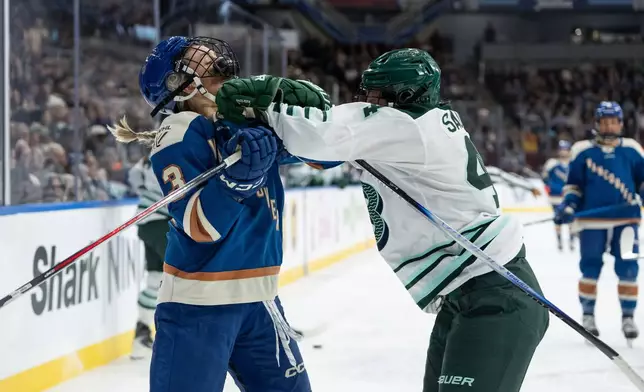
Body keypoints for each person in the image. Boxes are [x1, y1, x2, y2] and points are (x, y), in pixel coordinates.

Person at [216, 48, 549, 392]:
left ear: (405, 95)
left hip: (496, 296)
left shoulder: (404, 124)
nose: (368, 100)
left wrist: (268, 96)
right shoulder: (422, 122)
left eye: (377, 93)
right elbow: (335, 147)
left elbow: (318, 136)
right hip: (473, 291)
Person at [108, 36, 317, 392]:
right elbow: (201, 226)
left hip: (262, 301)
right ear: (178, 86)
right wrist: (239, 179)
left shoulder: (249, 115)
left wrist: (310, 117)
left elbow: (323, 158)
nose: (215, 58)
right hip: (199, 308)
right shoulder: (179, 130)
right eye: (197, 60)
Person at [556, 101, 642, 343]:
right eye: (605, 121)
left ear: (621, 123)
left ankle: (627, 317)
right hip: (592, 222)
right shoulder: (582, 151)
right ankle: (588, 316)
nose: (609, 126)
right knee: (590, 268)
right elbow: (574, 185)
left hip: (626, 221)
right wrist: (568, 205)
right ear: (597, 123)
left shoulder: (633, 150)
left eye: (614, 121)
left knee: (628, 268)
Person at [127, 153, 170, 359]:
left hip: (146, 219)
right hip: (162, 218)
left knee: (155, 278)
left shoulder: (148, 154)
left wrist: (147, 191)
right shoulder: (179, 140)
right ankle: (183, 336)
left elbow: (134, 175)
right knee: (187, 274)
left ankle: (142, 336)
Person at [542, 140, 573, 251]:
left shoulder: (573, 163)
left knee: (570, 219)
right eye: (562, 149)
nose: (564, 152)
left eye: (566, 149)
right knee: (558, 219)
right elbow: (545, 178)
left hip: (569, 196)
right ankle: (559, 242)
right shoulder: (552, 164)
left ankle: (571, 241)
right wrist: (549, 188)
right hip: (555, 197)